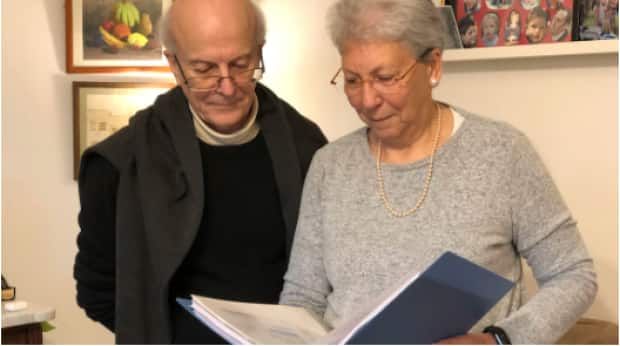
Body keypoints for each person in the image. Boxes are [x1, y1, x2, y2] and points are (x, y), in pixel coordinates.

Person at [279, 0, 597, 344]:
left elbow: (574, 273)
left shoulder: (503, 153)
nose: (366, 100)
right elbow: (303, 297)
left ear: (432, 67)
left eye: (385, 77)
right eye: (353, 80)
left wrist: (500, 340)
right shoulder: (329, 166)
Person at [73, 0, 327, 343]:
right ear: (174, 66)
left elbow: (327, 277)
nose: (226, 86)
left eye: (240, 64)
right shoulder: (119, 163)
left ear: (259, 52)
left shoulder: (309, 148)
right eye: (204, 69)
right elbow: (98, 292)